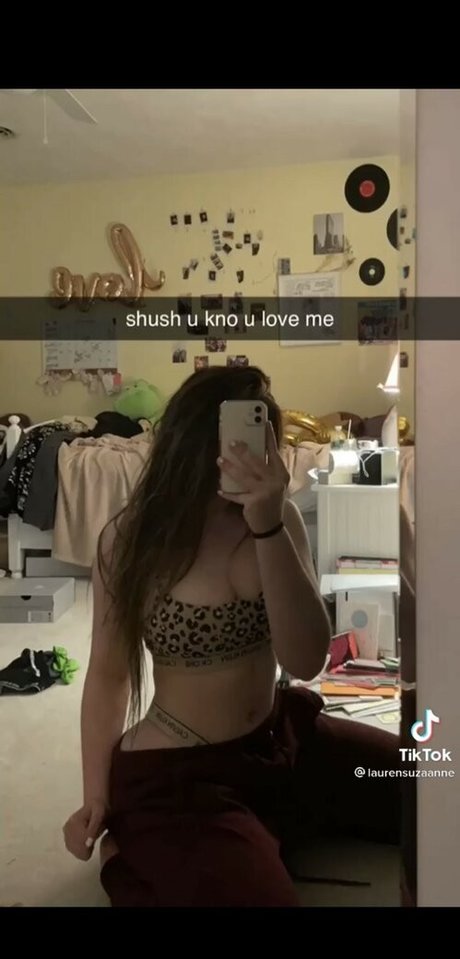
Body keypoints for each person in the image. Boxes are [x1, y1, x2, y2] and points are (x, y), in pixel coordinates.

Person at [63, 366, 400, 907]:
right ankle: (134, 848)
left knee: (432, 783)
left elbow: (306, 659)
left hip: (282, 742)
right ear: (191, 441)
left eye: (261, 432)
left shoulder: (279, 519)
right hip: (182, 780)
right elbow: (108, 673)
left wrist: (268, 525)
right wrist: (95, 797)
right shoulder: (130, 541)